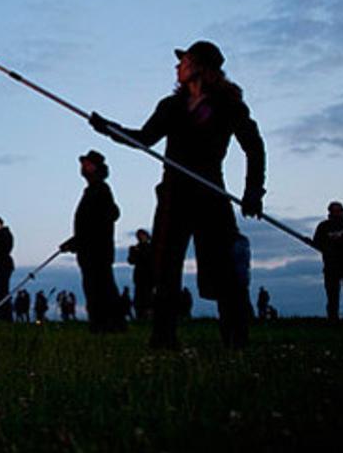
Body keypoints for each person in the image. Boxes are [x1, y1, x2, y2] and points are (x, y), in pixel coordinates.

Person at [90, 40, 265, 349]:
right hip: (173, 198)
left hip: (211, 195)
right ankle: (163, 339)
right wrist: (108, 128)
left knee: (223, 271)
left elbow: (254, 146)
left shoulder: (228, 104)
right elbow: (144, 138)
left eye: (183, 61)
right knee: (165, 271)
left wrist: (253, 190)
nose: (177, 67)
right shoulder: (170, 106)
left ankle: (235, 339)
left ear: (199, 66)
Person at [61, 150, 125, 333]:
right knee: (95, 287)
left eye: (87, 164)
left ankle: (109, 324)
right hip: (89, 249)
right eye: (83, 164)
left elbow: (107, 216)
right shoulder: (92, 190)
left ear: (96, 168)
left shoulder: (101, 189)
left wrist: (78, 241)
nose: (83, 167)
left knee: (101, 287)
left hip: (97, 250)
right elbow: (90, 224)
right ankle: (102, 324)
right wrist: (75, 242)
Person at [127, 229, 154, 322]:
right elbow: (131, 261)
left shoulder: (150, 248)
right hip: (139, 277)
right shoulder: (136, 248)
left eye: (142, 235)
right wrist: (132, 252)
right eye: (139, 236)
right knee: (139, 297)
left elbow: (149, 259)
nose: (140, 237)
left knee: (148, 297)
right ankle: (141, 315)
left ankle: (148, 315)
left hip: (148, 276)